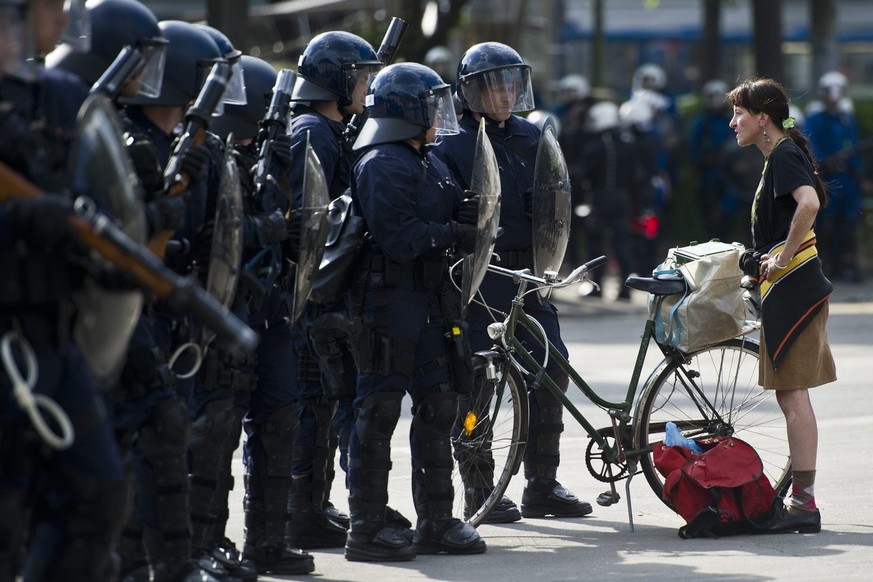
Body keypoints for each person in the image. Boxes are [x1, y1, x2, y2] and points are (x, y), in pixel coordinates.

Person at [434, 41, 593, 523]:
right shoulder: (451, 141)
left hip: (530, 272)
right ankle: (480, 489)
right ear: (470, 90)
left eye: (509, 83)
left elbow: (555, 202)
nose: (504, 94)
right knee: (478, 382)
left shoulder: (533, 135)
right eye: (493, 84)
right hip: (480, 275)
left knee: (552, 369)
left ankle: (541, 484)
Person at [0, 0, 130, 579]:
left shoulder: (57, 96)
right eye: (47, 6)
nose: (60, 18)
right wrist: (20, 222)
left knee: (97, 498)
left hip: (53, 330)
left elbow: (98, 191)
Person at [345, 61, 486, 562]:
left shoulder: (430, 159)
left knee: (440, 406)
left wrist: (463, 215)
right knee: (378, 410)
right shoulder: (381, 161)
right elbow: (399, 237)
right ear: (407, 110)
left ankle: (437, 520)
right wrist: (452, 233)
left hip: (430, 302)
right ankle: (366, 527)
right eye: (430, 105)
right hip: (387, 302)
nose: (439, 115)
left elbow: (440, 215)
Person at [284, 30, 382, 551]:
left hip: (320, 292)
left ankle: (313, 505)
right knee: (307, 403)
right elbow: (316, 220)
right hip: (307, 294)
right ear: (337, 81)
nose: (367, 88)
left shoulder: (329, 130)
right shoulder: (312, 133)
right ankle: (299, 510)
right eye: (361, 78)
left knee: (319, 401)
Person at [727, 77, 836, 534]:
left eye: (739, 114)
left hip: (794, 289)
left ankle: (804, 506)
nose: (734, 122)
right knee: (793, 396)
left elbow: (808, 204)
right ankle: (801, 501)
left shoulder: (785, 154)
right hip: (791, 290)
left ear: (763, 118)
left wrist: (783, 256)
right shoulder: (780, 154)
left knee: (793, 397)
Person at [804, 71, 866, 282]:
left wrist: (858, 173)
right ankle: (826, 266)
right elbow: (810, 145)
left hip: (847, 179)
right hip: (826, 179)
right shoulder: (815, 118)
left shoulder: (847, 118)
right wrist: (824, 161)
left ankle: (845, 265)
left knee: (848, 223)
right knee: (826, 223)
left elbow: (853, 147)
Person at [576, 100, 637, 299]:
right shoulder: (627, 144)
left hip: (601, 197)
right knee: (622, 242)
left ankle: (597, 287)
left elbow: (583, 171)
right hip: (623, 197)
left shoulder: (596, 145)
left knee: (596, 242)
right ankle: (625, 289)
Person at [688, 79, 739, 242]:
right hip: (708, 173)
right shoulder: (701, 121)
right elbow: (694, 146)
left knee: (727, 213)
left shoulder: (731, 120)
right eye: (713, 97)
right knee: (708, 211)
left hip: (729, 175)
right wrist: (702, 159)